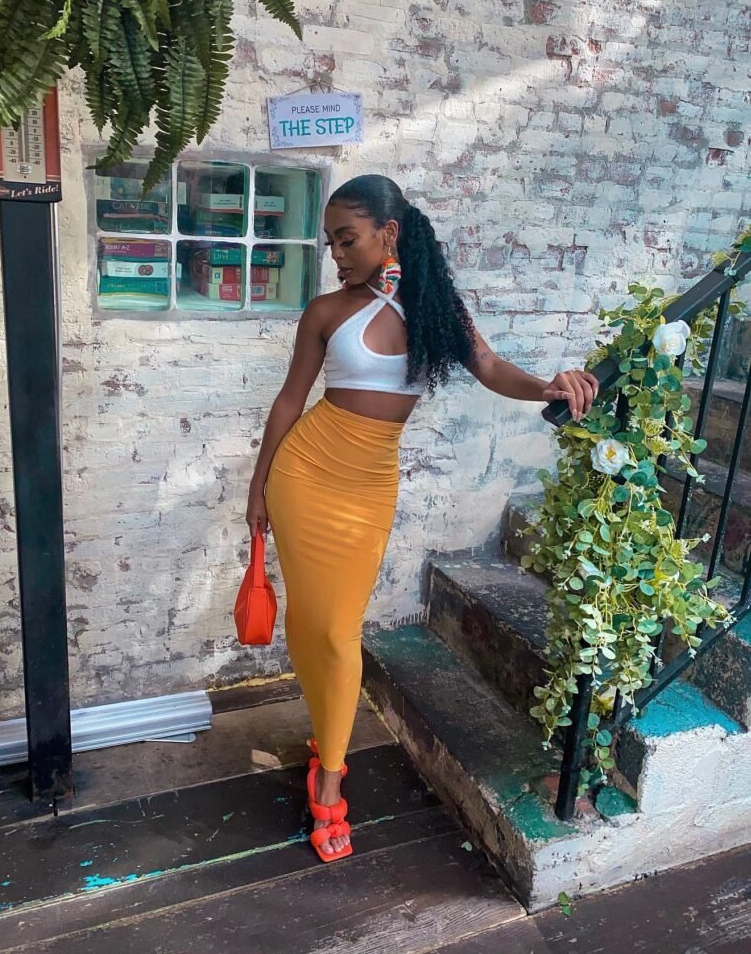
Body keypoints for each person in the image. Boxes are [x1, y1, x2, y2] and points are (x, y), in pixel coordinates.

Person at [245, 174, 598, 863]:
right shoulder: (324, 311)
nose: (336, 254)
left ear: (389, 233)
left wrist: (546, 387)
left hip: (369, 484)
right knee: (310, 619)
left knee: (338, 628)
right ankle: (328, 746)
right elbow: (289, 401)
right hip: (304, 473)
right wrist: (258, 487)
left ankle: (329, 765)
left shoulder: (435, 310)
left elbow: (489, 366)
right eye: (329, 242)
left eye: (346, 239)